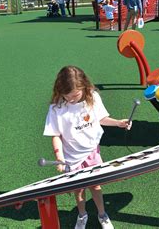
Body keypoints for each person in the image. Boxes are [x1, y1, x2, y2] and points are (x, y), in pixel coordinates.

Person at [43, 66, 131, 229]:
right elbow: (55, 135)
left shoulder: (93, 97)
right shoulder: (57, 107)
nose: (71, 100)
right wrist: (59, 157)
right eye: (66, 96)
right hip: (71, 157)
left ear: (84, 86)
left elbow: (101, 118)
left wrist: (118, 123)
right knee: (79, 189)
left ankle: (102, 214)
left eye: (75, 95)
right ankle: (82, 214)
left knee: (96, 186)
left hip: (91, 152)